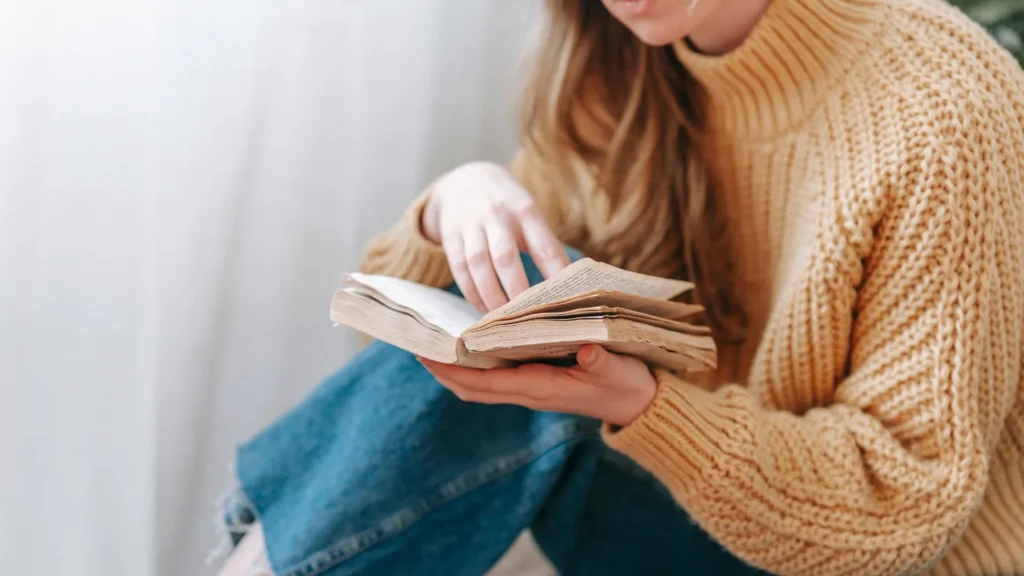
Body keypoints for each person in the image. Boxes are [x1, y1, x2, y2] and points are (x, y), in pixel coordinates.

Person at [218, 0, 1024, 574]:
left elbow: (904, 507)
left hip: (866, 555)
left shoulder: (941, 103)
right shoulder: (624, 67)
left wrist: (645, 408)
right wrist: (452, 205)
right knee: (507, 326)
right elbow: (399, 378)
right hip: (696, 524)